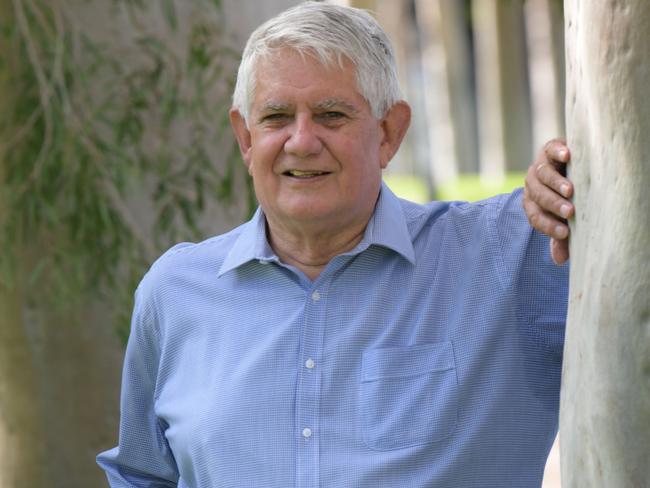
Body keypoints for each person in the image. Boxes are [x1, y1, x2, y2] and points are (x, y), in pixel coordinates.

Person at [97, 3, 572, 487]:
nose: (301, 141)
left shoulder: (509, 255)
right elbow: (144, 475)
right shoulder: (176, 292)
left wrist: (571, 178)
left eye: (331, 115)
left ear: (390, 132)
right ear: (245, 137)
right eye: (277, 116)